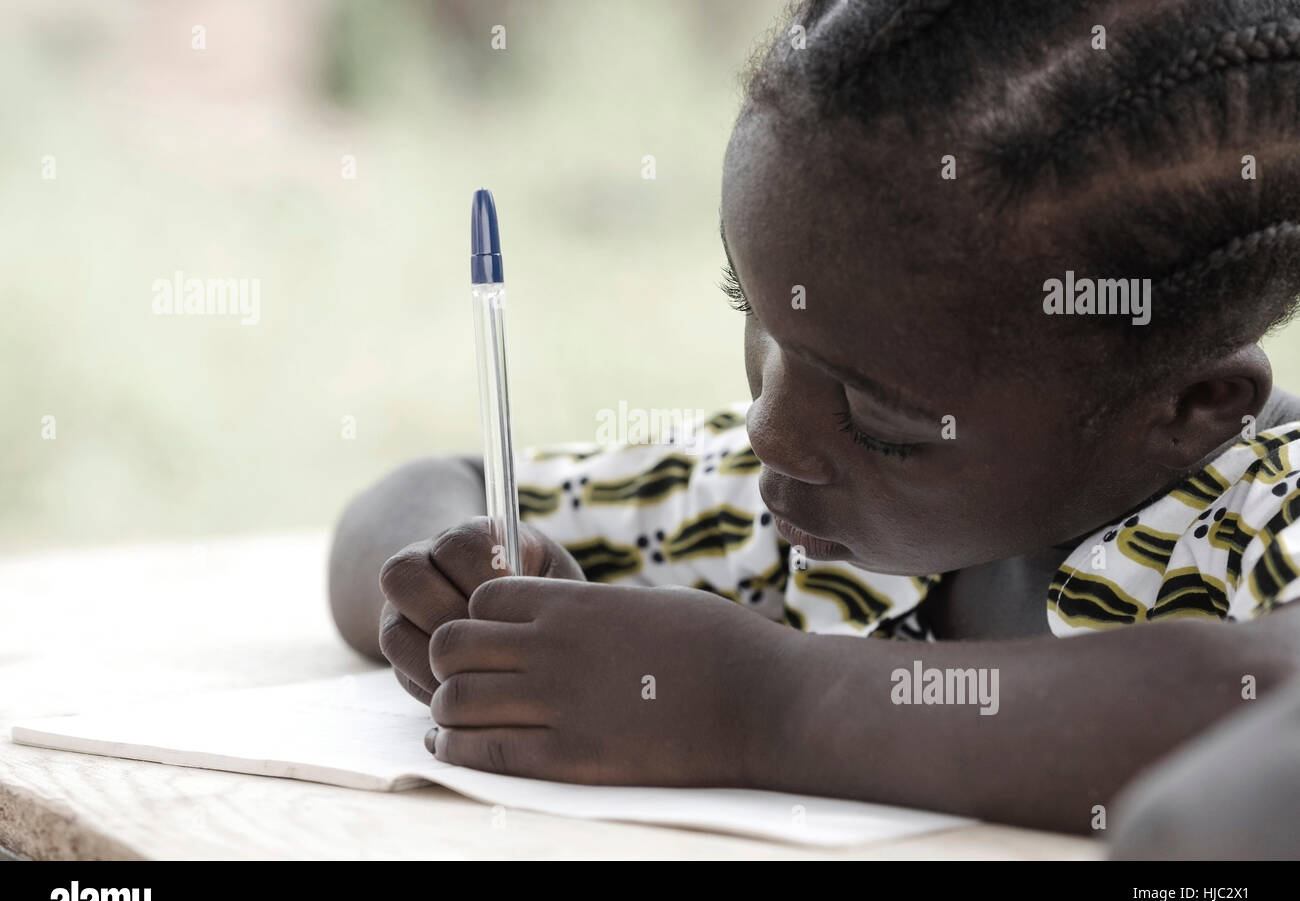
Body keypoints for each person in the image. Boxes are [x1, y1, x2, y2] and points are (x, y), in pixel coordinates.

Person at [328, 0, 1300, 836]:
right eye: (754, 317)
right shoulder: (781, 511)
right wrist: (464, 597)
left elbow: (1262, 697)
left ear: (1193, 407)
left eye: (883, 418)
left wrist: (757, 707)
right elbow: (423, 492)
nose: (770, 433)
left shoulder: (1263, 516)